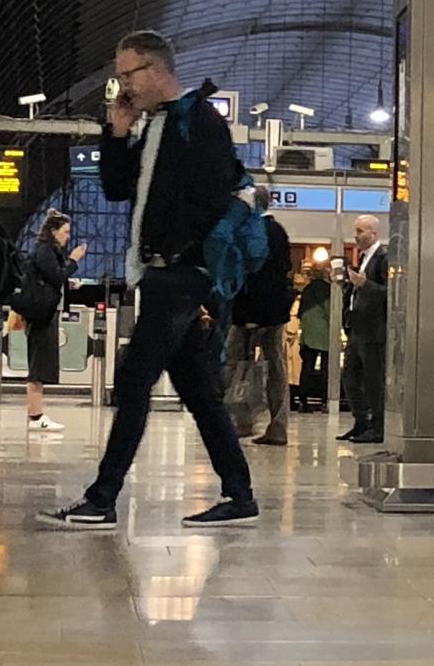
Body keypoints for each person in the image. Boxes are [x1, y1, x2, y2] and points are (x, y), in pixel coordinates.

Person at [42, 31, 258, 529]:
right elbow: (118, 189)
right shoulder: (152, 127)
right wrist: (116, 132)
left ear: (156, 70)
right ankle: (240, 494)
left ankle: (103, 496)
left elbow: (211, 193)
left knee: (134, 378)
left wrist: (185, 253)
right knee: (199, 390)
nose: (122, 85)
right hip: (158, 272)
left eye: (127, 74)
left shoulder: (199, 121)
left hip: (179, 273)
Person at [227, 191, 296, 444]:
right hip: (274, 313)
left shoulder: (255, 232)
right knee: (275, 366)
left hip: (252, 312)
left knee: (239, 365)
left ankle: (244, 420)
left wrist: (251, 315)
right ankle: (277, 425)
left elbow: (256, 277)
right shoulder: (278, 230)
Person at [17, 210, 86, 435]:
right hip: (41, 314)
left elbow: (52, 277)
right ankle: (35, 416)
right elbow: (56, 276)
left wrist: (68, 282)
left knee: (42, 365)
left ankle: (36, 414)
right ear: (54, 231)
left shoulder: (48, 250)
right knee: (38, 366)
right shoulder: (45, 250)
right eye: (65, 232)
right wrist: (74, 261)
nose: (68, 236)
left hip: (45, 312)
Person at [338, 212, 388, 444]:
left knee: (373, 380)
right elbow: (358, 291)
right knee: (350, 377)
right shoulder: (364, 258)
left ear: (374, 233)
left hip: (373, 331)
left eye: (360, 231)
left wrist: (365, 284)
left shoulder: (383, 258)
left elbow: (391, 293)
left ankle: (378, 427)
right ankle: (361, 421)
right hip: (357, 328)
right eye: (355, 231)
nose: (356, 236)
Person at [294, 259, 330, 410]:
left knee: (307, 367)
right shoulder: (328, 289)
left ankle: (303, 399)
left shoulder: (308, 289)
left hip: (308, 334)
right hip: (326, 334)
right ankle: (324, 400)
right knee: (325, 369)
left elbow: (300, 312)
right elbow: (330, 311)